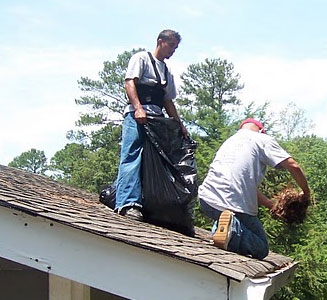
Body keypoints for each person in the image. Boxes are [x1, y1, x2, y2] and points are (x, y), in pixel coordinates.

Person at [198, 118, 310, 259]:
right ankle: (231, 229)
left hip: (206, 200)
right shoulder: (262, 139)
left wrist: (272, 205)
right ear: (262, 131)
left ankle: (223, 229)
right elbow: (293, 166)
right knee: (261, 249)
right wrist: (306, 193)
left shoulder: (229, 142)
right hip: (234, 206)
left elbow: (246, 187)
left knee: (233, 227)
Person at [115, 29, 188, 221]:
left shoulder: (166, 71)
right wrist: (138, 108)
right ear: (160, 41)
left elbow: (168, 101)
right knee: (132, 155)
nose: (173, 50)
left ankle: (150, 204)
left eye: (176, 47)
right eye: (171, 45)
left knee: (154, 160)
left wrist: (180, 125)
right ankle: (127, 203)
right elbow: (130, 83)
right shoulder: (141, 58)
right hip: (137, 116)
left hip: (157, 120)